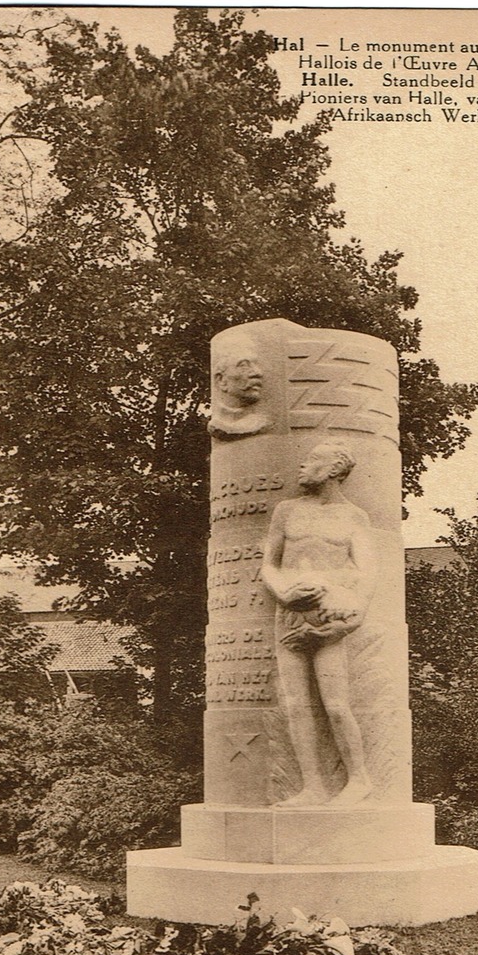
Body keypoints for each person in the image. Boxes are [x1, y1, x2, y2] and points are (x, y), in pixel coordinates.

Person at [262, 441, 377, 807]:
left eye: (312, 460)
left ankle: (359, 780)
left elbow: (368, 570)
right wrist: (284, 592)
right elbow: (269, 564)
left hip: (330, 616)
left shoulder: (354, 517)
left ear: (333, 470)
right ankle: (312, 786)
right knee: (295, 704)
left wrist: (350, 610)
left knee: (336, 704)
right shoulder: (286, 511)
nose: (302, 464)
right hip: (291, 614)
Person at [208, 342, 272, 438]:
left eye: (256, 365)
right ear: (221, 380)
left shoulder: (262, 421)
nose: (258, 373)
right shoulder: (218, 424)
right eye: (244, 366)